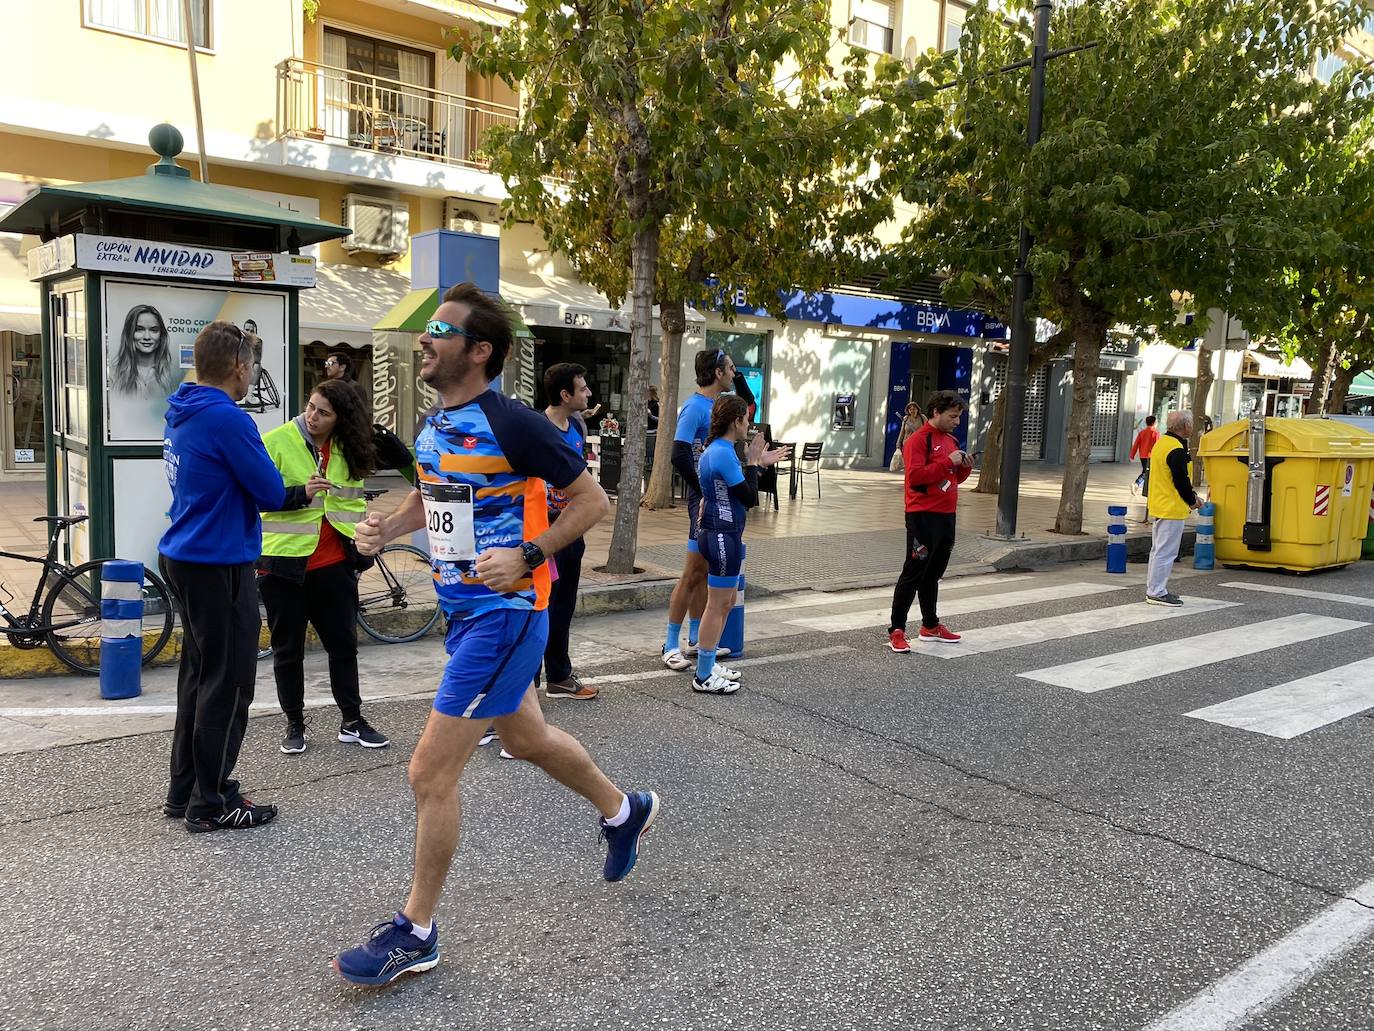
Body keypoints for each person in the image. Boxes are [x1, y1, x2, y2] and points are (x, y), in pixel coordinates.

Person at [333, 282, 659, 986]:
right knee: (524, 737)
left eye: (441, 331)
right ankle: (623, 809)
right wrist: (388, 527)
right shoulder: (435, 422)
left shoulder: (513, 422)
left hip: (504, 614)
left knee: (428, 771)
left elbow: (593, 499)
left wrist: (531, 554)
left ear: (479, 351)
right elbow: (436, 492)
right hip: (463, 613)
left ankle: (416, 930)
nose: (425, 339)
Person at [158, 322, 286, 833]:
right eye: (251, 364)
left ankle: (185, 788)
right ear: (238, 367)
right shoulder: (228, 419)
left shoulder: (183, 410)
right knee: (229, 683)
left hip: (186, 555)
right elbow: (270, 491)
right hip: (217, 562)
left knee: (198, 676)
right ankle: (210, 803)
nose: (252, 374)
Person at [258, 379, 389, 755]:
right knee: (288, 650)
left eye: (323, 412)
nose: (312, 416)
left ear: (340, 418)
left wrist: (361, 549)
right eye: (311, 406)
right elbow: (254, 497)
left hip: (334, 564)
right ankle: (294, 723)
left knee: (344, 646)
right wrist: (301, 494)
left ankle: (352, 721)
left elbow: (353, 504)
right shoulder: (278, 440)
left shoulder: (351, 449)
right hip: (283, 565)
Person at [691, 395, 789, 694]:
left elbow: (742, 491)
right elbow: (748, 498)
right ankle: (704, 674)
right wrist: (754, 463)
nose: (749, 426)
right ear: (736, 421)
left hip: (724, 533)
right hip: (721, 535)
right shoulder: (721, 453)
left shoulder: (721, 450)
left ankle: (709, 661)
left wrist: (757, 466)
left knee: (727, 602)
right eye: (747, 420)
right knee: (717, 604)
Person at [661, 348, 736, 671]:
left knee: (704, 571)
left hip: (715, 499)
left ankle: (695, 639)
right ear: (718, 373)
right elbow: (678, 454)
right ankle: (669, 643)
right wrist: (701, 489)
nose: (736, 374)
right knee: (692, 572)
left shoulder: (718, 405)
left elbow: (749, 405)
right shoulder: (694, 407)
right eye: (732, 369)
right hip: (701, 499)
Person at [886, 390, 973, 652]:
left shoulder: (950, 439)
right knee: (913, 572)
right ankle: (897, 629)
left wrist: (964, 465)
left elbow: (955, 479)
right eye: (953, 416)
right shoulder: (918, 440)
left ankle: (930, 625)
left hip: (947, 515)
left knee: (933, 574)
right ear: (936, 412)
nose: (957, 421)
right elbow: (915, 478)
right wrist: (947, 461)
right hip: (922, 516)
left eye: (959, 416)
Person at [540, 362, 598, 700]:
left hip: (572, 527)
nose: (588, 392)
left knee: (563, 606)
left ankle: (559, 676)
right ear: (565, 394)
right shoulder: (536, 428)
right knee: (537, 606)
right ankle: (526, 685)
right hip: (542, 530)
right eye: (582, 388)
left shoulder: (576, 426)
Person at [1145, 410, 1202, 607]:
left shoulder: (1162, 443)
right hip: (1171, 506)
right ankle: (1156, 591)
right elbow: (1181, 480)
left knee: (1158, 551)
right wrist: (1192, 500)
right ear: (1186, 427)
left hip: (1161, 504)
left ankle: (1155, 588)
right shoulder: (1176, 449)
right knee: (1165, 552)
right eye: (1192, 424)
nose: (1193, 427)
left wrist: (1192, 496)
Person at [112, 304, 179, 397]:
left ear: (161, 335)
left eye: (153, 330)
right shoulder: (113, 374)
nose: (147, 337)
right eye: (139, 330)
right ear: (129, 334)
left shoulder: (174, 373)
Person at [1130, 415, 1159, 497]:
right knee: (1146, 472)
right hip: (1151, 456)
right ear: (1154, 423)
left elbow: (1136, 444)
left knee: (1146, 471)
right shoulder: (1155, 433)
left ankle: (1139, 485)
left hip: (1142, 455)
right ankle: (1137, 484)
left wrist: (1132, 454)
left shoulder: (1142, 433)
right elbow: (1157, 445)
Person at [892, 401, 925, 473]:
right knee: (908, 462)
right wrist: (898, 444)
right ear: (908, 411)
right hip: (907, 443)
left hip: (919, 444)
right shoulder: (905, 418)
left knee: (917, 462)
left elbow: (928, 430)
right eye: (910, 409)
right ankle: (909, 476)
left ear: (917, 409)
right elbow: (902, 432)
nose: (912, 411)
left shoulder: (922, 418)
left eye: (914, 409)